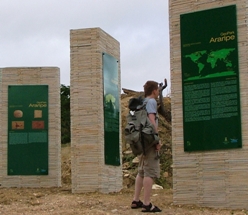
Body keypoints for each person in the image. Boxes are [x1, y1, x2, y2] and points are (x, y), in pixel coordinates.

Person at [130, 80, 162, 213]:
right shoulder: (152, 102)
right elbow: (151, 120)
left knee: (141, 170)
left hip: (140, 140)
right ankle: (147, 203)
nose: (158, 91)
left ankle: (136, 200)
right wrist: (156, 139)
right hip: (149, 139)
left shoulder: (141, 102)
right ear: (154, 90)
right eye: (157, 89)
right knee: (150, 171)